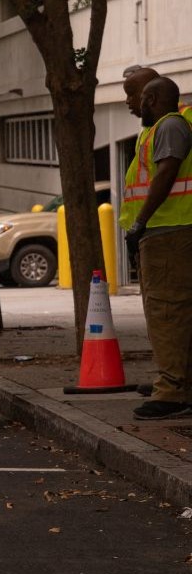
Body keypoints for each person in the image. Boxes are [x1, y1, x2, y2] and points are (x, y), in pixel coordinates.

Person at [121, 76, 192, 420]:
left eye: (133, 97)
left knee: (166, 313)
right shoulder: (161, 129)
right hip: (166, 232)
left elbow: (166, 174)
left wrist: (140, 222)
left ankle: (172, 391)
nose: (130, 103)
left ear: (151, 99)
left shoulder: (170, 126)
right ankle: (178, 383)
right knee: (173, 313)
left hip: (168, 233)